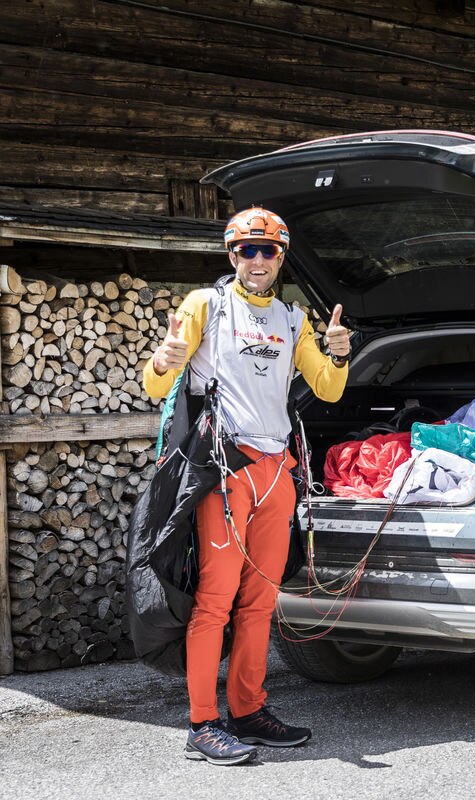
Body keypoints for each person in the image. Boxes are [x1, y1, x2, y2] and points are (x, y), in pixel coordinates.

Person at [142, 206, 350, 765]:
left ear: (281, 257)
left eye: (268, 250)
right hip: (226, 471)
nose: (256, 260)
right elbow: (155, 380)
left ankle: (249, 710)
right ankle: (201, 724)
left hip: (277, 470)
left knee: (260, 601)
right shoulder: (204, 305)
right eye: (245, 250)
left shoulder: (292, 318)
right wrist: (163, 360)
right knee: (215, 601)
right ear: (231, 255)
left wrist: (338, 354)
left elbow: (328, 390)